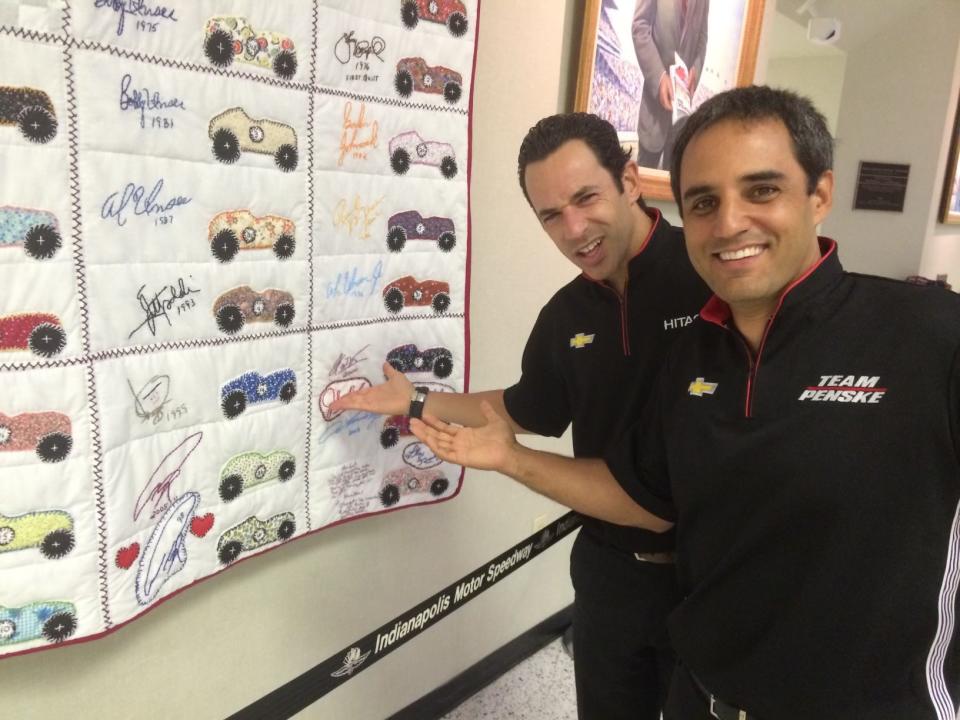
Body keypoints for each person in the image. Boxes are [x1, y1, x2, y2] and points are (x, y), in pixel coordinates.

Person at [410, 86, 960, 720]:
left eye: (762, 190)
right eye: (704, 202)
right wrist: (483, 441)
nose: (728, 224)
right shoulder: (693, 354)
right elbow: (637, 491)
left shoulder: (927, 337)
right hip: (695, 679)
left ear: (820, 195)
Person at [332, 113, 710, 719]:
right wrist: (417, 401)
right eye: (551, 215)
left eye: (586, 198)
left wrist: (510, 460)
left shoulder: (709, 276)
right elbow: (519, 409)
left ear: (630, 181)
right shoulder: (566, 316)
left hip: (709, 579)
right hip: (609, 573)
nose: (575, 229)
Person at [632, 0, 709, 169]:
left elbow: (702, 38)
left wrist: (696, 69)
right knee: (643, 184)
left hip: (680, 116)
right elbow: (640, 27)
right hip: (653, 115)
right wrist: (659, 78)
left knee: (672, 184)